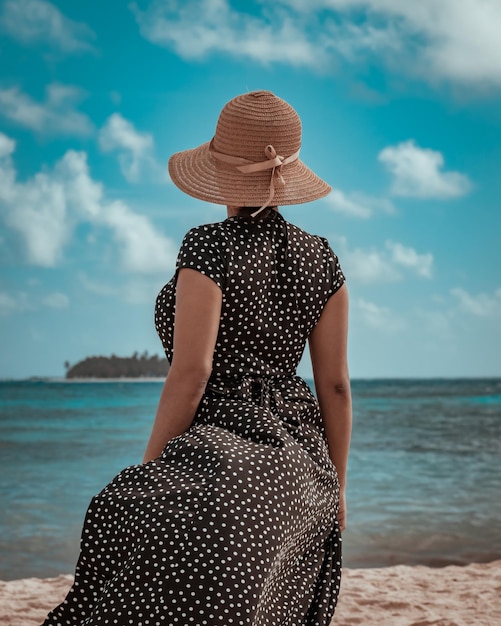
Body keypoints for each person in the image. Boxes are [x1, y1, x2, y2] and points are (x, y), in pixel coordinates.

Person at [42, 90, 352, 626]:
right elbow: (337, 388)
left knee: (122, 510)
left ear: (220, 173)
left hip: (221, 435)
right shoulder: (322, 257)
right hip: (300, 456)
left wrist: (151, 465)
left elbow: (193, 372)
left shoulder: (208, 246)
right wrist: (338, 489)